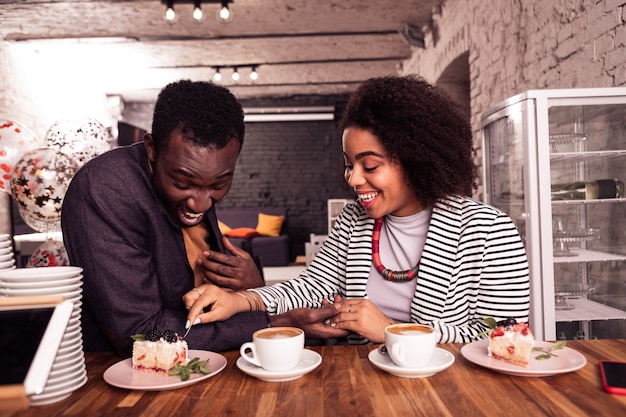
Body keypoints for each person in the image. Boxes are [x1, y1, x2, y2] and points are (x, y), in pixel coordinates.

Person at [184, 75, 530, 344]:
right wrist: (239, 300)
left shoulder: (487, 232)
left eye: (370, 165)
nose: (353, 179)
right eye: (350, 164)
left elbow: (505, 336)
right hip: (359, 381)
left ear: (417, 160)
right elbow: (309, 287)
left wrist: (393, 330)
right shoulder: (354, 220)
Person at [61, 79, 340, 356]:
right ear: (152, 149)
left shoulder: (195, 181)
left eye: (219, 185)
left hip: (212, 364)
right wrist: (270, 321)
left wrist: (252, 288)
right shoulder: (105, 189)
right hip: (131, 383)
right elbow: (139, 333)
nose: (201, 202)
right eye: (183, 183)